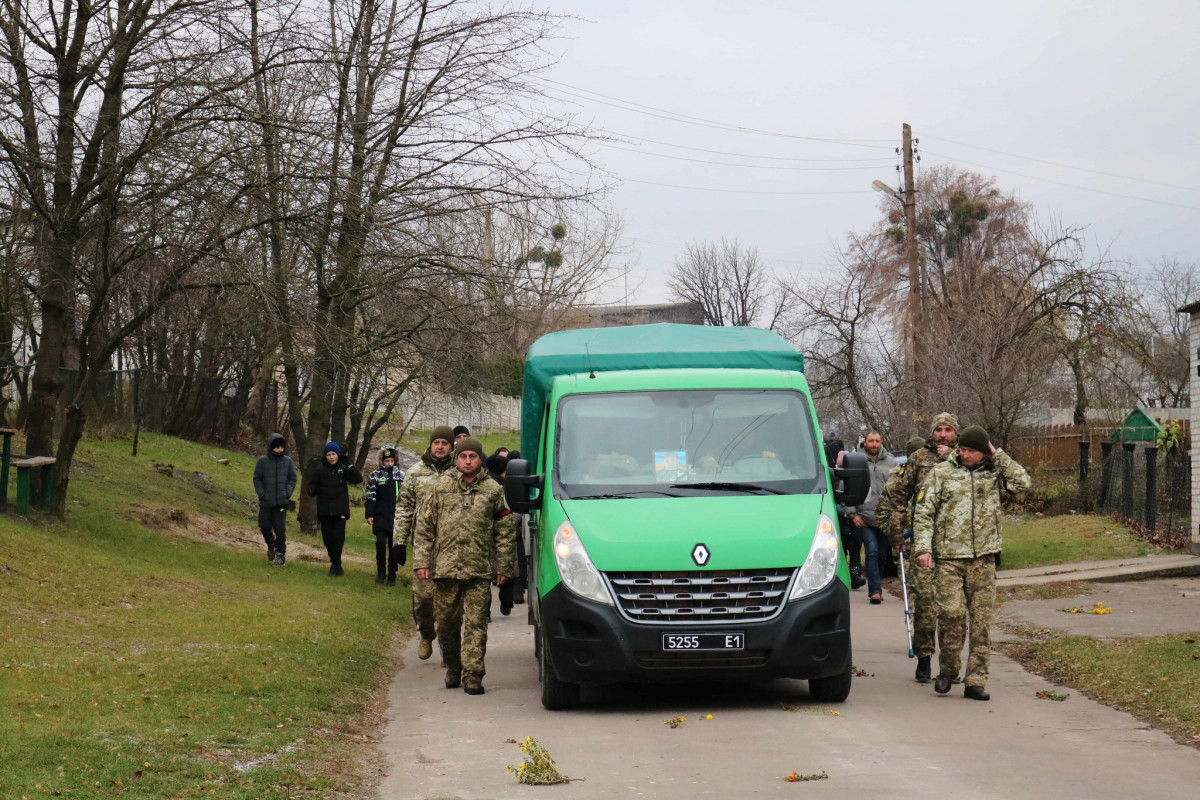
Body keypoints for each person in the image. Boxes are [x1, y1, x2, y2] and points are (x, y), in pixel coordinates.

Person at [914, 425, 1030, 701]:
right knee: (951, 615)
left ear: (983, 452)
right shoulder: (942, 472)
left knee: (981, 622)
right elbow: (924, 511)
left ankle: (976, 679)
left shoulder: (994, 473)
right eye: (962, 449)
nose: (965, 454)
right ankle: (948, 670)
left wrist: (996, 454)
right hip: (949, 558)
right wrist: (923, 548)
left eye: (971, 450)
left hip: (983, 558)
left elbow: (1023, 483)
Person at [413, 437, 516, 695]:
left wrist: (503, 566)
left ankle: (473, 675)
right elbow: (425, 527)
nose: (467, 461)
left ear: (480, 460)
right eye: (463, 456)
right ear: (456, 459)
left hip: (478, 570)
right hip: (445, 569)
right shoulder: (440, 488)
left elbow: (504, 531)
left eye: (472, 456)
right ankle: (453, 667)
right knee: (446, 624)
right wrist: (421, 562)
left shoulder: (493, 490)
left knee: (476, 624)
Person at [882, 413, 960, 683]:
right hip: (922, 541)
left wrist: (951, 456)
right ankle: (925, 657)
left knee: (952, 608)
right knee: (925, 602)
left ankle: (950, 664)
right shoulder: (919, 459)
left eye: (948, 430)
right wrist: (897, 535)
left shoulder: (966, 457)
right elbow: (900, 497)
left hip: (956, 544)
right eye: (938, 429)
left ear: (955, 433)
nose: (942, 434)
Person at [396, 426, 456, 660]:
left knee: (450, 601)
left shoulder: (458, 471)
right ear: (431, 445)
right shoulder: (416, 473)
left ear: (451, 447)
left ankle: (448, 647)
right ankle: (426, 633)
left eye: (445, 443)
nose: (440, 446)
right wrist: (399, 541)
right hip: (424, 545)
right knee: (423, 599)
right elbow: (404, 507)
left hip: (452, 544)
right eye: (436, 442)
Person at [848, 431, 897, 605]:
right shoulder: (855, 462)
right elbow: (847, 488)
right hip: (864, 517)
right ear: (865, 443)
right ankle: (875, 591)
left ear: (881, 442)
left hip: (885, 516)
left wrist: (896, 512)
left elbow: (897, 489)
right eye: (871, 441)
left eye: (877, 441)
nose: (874, 444)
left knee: (883, 554)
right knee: (872, 550)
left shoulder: (891, 462)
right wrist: (852, 514)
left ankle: (878, 586)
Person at [307, 441, 363, 576]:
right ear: (325, 456)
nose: (331, 457)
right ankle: (334, 560)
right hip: (325, 510)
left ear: (338, 455)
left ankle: (336, 565)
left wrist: (348, 463)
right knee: (327, 539)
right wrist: (312, 490)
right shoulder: (320, 470)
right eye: (329, 455)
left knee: (338, 538)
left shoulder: (343, 468)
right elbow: (311, 489)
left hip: (340, 510)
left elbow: (358, 479)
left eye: (334, 454)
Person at [252, 433, 296, 567]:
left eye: (281, 447)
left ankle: (280, 554)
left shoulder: (288, 461)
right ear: (271, 447)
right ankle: (271, 544)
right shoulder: (262, 461)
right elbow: (257, 479)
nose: (279, 450)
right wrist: (262, 494)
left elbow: (292, 479)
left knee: (280, 529)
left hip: (281, 502)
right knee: (264, 526)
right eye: (276, 447)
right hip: (266, 501)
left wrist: (287, 493)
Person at [364, 445, 406, 586]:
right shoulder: (375, 475)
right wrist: (370, 514)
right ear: (382, 461)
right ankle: (381, 572)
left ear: (395, 461)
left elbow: (406, 497)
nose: (388, 463)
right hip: (380, 515)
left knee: (393, 546)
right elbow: (370, 495)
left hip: (396, 516)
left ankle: (392, 574)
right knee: (380, 542)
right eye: (386, 461)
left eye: (391, 461)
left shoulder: (401, 476)